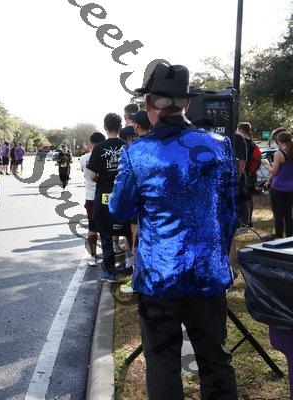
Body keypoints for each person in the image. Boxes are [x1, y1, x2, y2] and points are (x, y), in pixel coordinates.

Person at [110, 63, 238, 400]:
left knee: (163, 363)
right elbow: (230, 210)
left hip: (159, 278)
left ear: (148, 103)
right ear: (186, 103)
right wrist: (217, 253)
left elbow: (119, 209)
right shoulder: (219, 145)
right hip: (207, 274)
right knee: (215, 359)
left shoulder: (136, 151)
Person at [87, 113, 131, 283]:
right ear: (120, 127)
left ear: (105, 127)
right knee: (129, 231)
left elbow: (92, 175)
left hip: (105, 195)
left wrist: (104, 179)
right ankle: (131, 267)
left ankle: (111, 272)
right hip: (124, 195)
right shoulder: (128, 146)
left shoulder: (98, 148)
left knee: (105, 233)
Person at [119, 110, 152, 294]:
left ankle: (137, 277)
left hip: (140, 205)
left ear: (137, 126)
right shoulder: (162, 144)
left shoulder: (133, 150)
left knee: (137, 239)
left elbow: (123, 191)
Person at [81, 132, 106, 265]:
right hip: (105, 195)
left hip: (90, 197)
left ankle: (93, 257)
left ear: (91, 143)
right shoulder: (106, 156)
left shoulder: (83, 158)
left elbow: (84, 172)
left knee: (92, 227)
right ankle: (109, 255)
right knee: (107, 226)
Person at [263, 130, 293, 238]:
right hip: (290, 188)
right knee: (288, 215)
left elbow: (274, 171)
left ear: (279, 141)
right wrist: (269, 179)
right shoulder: (291, 152)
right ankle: (290, 238)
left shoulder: (279, 153)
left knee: (278, 215)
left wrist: (267, 164)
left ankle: (279, 238)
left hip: (278, 188)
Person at [238, 122, 260, 227]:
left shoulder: (243, 142)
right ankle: (248, 221)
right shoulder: (252, 143)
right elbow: (258, 159)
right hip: (250, 174)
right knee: (248, 198)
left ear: (240, 129)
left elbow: (256, 159)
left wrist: (249, 171)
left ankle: (245, 222)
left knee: (244, 198)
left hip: (245, 173)